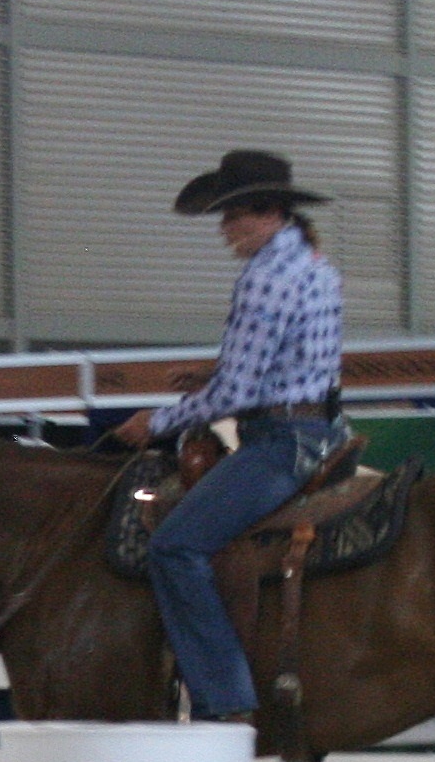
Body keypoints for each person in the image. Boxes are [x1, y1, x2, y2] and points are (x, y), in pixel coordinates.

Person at [103, 149, 348, 730]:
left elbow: (237, 394)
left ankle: (223, 695)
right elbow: (291, 366)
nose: (224, 230)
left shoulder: (263, 277)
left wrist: (156, 422)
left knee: (175, 547)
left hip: (280, 441)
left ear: (264, 213)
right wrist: (211, 375)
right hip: (320, 430)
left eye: (231, 216)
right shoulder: (316, 267)